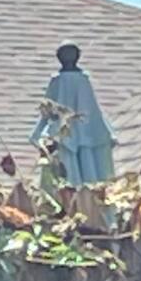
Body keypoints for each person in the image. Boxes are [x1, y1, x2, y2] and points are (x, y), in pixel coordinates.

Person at [39, 43, 114, 186]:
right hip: (69, 137)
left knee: (82, 161)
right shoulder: (62, 81)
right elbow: (48, 111)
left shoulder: (77, 81)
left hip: (82, 136)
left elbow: (93, 112)